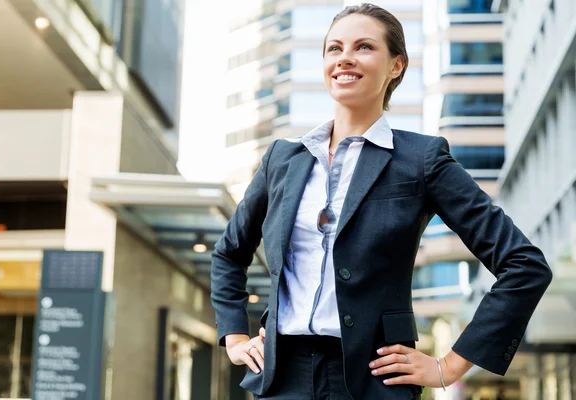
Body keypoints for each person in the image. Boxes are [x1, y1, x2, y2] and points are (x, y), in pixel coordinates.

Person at [211, 3, 552, 399]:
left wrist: (450, 365)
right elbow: (229, 253)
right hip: (281, 377)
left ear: (396, 66)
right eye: (334, 48)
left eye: (364, 47)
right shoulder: (282, 159)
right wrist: (234, 338)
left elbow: (524, 265)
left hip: (375, 381)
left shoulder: (421, 159)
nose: (345, 59)